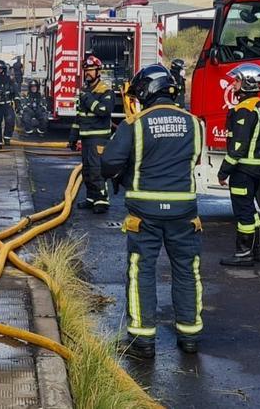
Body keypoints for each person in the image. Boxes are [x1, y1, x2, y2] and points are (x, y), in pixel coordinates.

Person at [101, 63, 204, 358]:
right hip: (185, 212)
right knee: (187, 270)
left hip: (144, 214)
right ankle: (190, 335)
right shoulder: (194, 123)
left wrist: (128, 170)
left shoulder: (136, 124)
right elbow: (190, 160)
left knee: (141, 271)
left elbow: (108, 163)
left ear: (146, 91)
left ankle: (143, 339)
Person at [218, 63, 260, 267]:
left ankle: (243, 254)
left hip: (243, 170)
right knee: (250, 209)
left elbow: (238, 147)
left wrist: (223, 171)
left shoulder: (244, 110)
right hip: (257, 168)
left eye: (237, 80)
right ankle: (257, 250)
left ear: (248, 83)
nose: (234, 84)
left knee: (243, 212)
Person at [70, 54, 114, 213]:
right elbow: (79, 116)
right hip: (86, 137)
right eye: (86, 70)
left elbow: (104, 110)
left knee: (97, 170)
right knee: (87, 170)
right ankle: (91, 198)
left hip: (99, 138)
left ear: (98, 72)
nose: (88, 73)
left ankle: (102, 200)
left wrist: (87, 98)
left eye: (91, 70)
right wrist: (73, 137)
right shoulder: (84, 91)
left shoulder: (105, 91)